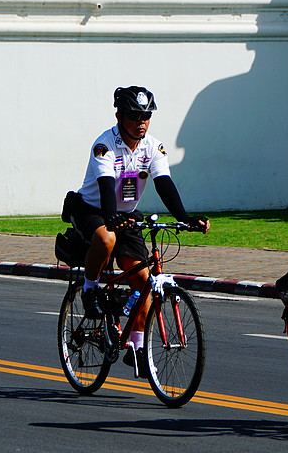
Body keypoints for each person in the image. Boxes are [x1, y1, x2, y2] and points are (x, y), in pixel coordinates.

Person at [66, 86, 209, 378]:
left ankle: (136, 347)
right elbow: (106, 186)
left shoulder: (153, 147)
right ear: (119, 115)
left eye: (146, 115)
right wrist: (111, 218)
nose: (141, 122)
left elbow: (165, 183)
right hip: (92, 208)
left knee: (145, 281)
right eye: (134, 115)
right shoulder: (104, 145)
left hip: (128, 215)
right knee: (106, 238)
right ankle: (90, 288)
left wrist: (186, 218)